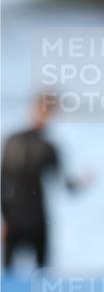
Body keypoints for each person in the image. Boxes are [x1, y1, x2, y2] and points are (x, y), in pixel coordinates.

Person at [1, 92, 88, 270]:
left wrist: (81, 183)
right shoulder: (16, 141)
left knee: (39, 278)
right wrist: (5, 220)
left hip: (34, 218)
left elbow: (66, 185)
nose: (46, 115)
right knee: (10, 277)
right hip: (17, 218)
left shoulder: (48, 147)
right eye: (44, 109)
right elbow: (3, 182)